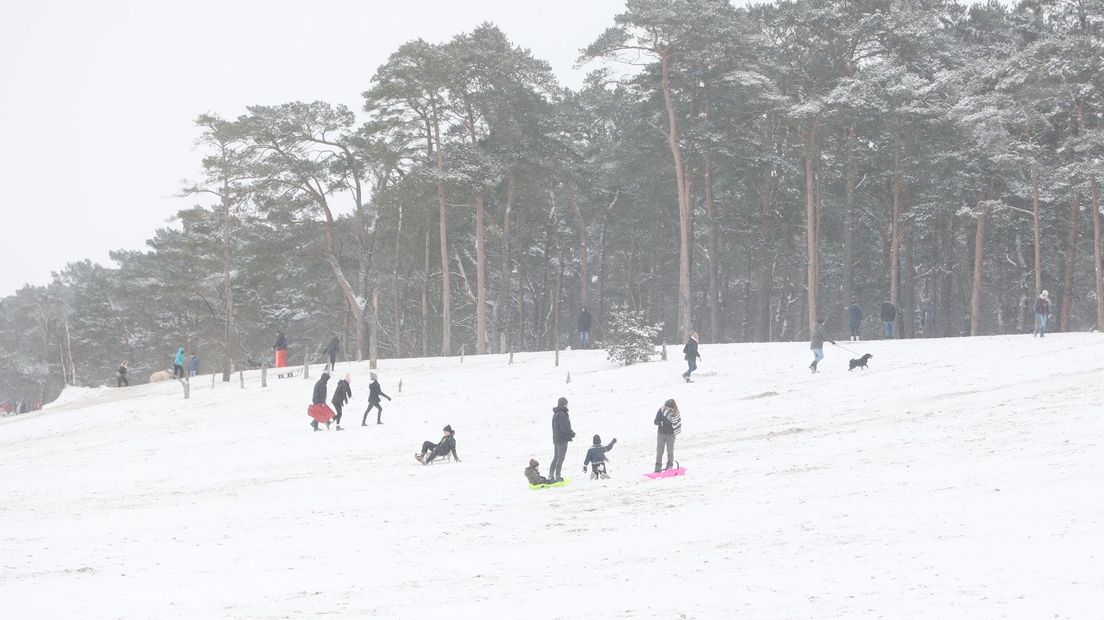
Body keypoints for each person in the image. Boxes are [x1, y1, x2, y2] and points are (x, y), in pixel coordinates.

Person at [549, 396, 575, 481]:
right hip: (562, 439)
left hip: (556, 439)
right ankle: (557, 476)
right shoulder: (562, 414)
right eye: (567, 404)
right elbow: (565, 427)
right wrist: (572, 433)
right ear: (564, 404)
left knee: (556, 457)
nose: (567, 406)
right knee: (560, 458)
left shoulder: (556, 414)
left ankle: (551, 475)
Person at [654, 398, 682, 472]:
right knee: (659, 451)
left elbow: (677, 423)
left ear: (672, 407)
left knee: (670, 451)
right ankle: (657, 468)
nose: (666, 408)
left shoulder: (676, 413)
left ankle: (669, 467)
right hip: (661, 434)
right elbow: (655, 421)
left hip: (671, 435)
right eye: (666, 406)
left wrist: (672, 425)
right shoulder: (661, 410)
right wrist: (662, 423)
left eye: (668, 407)